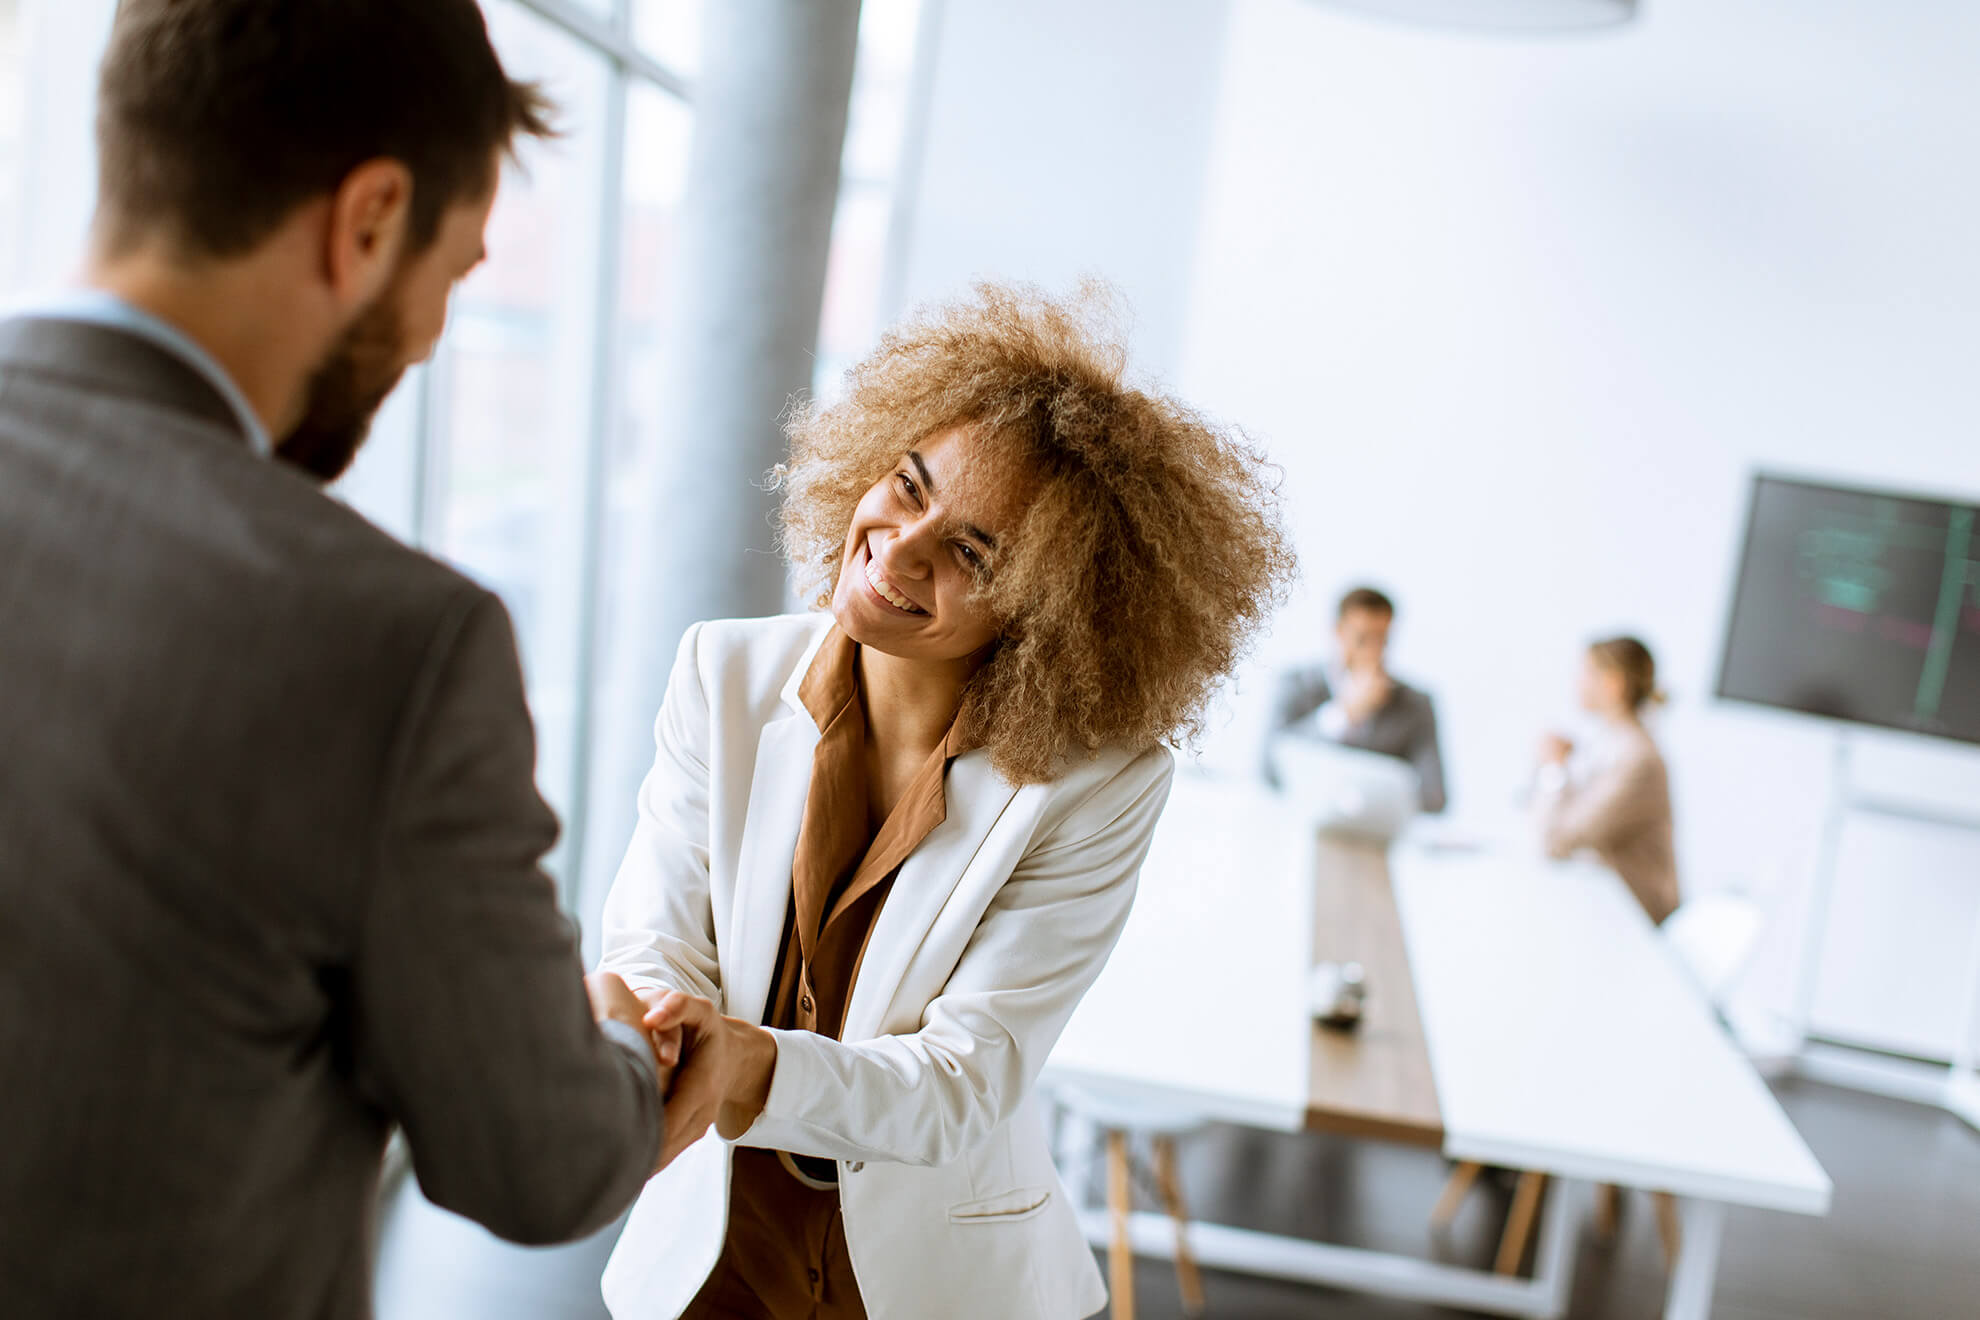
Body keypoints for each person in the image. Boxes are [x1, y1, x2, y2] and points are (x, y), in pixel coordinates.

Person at [0, 3, 669, 1316]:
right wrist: (619, 1052)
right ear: (367, 220)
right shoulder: (385, 644)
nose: (428, 338)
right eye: (458, 273)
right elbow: (536, 1161)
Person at [595, 284, 1294, 1320]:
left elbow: (964, 1081)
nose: (899, 545)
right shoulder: (721, 673)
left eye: (973, 552)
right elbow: (653, 941)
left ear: (1055, 609)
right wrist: (651, 1031)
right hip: (709, 1257)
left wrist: (743, 1064)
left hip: (936, 1287)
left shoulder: (1102, 782)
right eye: (905, 484)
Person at [1534, 636, 1680, 924]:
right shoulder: (1606, 744)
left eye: (1586, 672)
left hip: (1635, 922)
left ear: (1613, 683)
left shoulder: (1638, 760)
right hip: (1602, 907)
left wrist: (1554, 768)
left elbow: (1555, 840)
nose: (1576, 682)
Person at [1263, 586, 1448, 812]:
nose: (1373, 652)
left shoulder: (1416, 704)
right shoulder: (1296, 685)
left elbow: (1435, 797)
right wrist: (1343, 715)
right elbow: (1269, 770)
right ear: (1338, 631)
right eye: (1362, 639)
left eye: (1382, 641)